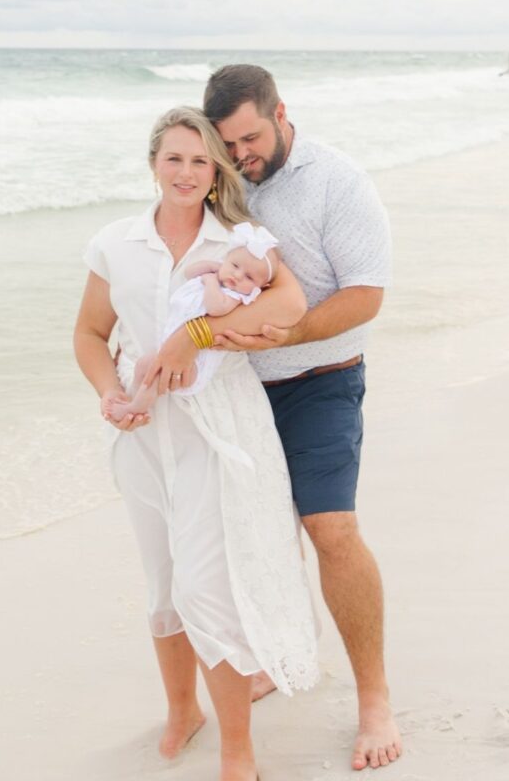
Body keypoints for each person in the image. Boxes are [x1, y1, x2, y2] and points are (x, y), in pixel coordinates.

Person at [140, 69, 400, 771]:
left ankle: (373, 696)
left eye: (250, 138)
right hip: (231, 393)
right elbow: (173, 268)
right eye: (227, 144)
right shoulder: (217, 177)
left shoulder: (337, 182)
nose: (241, 155)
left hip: (320, 381)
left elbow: (367, 294)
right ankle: (274, 656)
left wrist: (289, 335)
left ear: (282, 113)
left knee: (331, 531)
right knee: (243, 539)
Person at [74, 106, 318, 781]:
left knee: (209, 588)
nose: (185, 172)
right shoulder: (115, 243)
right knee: (163, 584)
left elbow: (289, 307)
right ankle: (182, 711)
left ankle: (238, 752)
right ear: (153, 162)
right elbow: (90, 334)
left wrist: (195, 336)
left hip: (220, 431)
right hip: (144, 430)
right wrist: (106, 393)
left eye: (199, 160)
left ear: (215, 172)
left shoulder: (240, 242)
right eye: (173, 158)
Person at [102, 222, 280, 423]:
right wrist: (217, 268)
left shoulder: (234, 296)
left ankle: (136, 408)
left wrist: (211, 280)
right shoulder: (220, 275)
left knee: (154, 370)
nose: (237, 275)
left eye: (248, 276)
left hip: (194, 365)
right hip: (173, 351)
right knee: (144, 364)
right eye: (235, 266)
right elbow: (189, 272)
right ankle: (132, 395)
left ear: (260, 287)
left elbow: (215, 308)